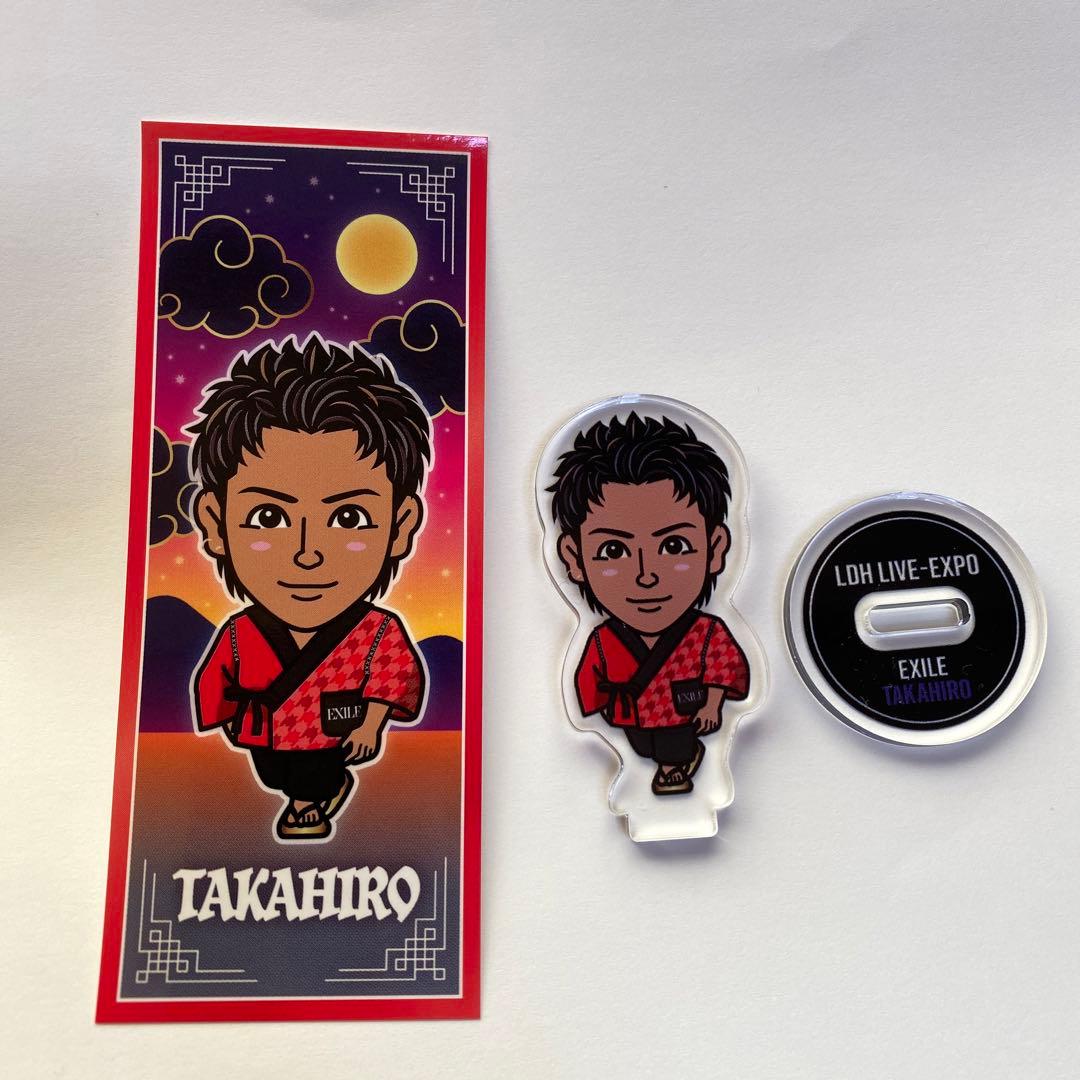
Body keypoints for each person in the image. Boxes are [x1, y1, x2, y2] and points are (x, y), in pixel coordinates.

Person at [188, 334, 430, 839]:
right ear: (214, 523)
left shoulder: (376, 632)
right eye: (268, 516)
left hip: (333, 731)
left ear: (401, 526)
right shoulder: (240, 633)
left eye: (349, 517)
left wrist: (370, 723)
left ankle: (313, 802)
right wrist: (229, 719)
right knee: (274, 773)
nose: (307, 553)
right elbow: (217, 683)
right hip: (265, 735)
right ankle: (304, 798)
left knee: (313, 778)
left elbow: (393, 677)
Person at [549, 413, 750, 796]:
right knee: (643, 746)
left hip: (682, 714)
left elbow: (723, 667)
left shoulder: (706, 632)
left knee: (672, 747)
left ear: (715, 548)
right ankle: (668, 762)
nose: (645, 575)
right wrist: (601, 708)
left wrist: (712, 704)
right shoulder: (604, 640)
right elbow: (590, 682)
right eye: (613, 550)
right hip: (632, 718)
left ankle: (675, 768)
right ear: (574, 558)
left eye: (674, 545)